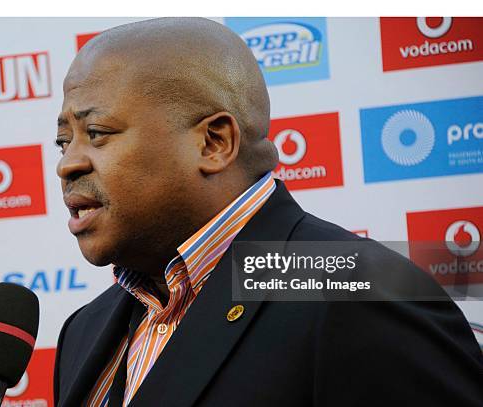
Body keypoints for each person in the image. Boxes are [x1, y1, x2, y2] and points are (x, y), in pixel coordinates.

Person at [53, 17, 482, 407]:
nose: (67, 163)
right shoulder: (83, 331)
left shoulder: (360, 292)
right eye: (63, 141)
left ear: (214, 143)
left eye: (96, 133)